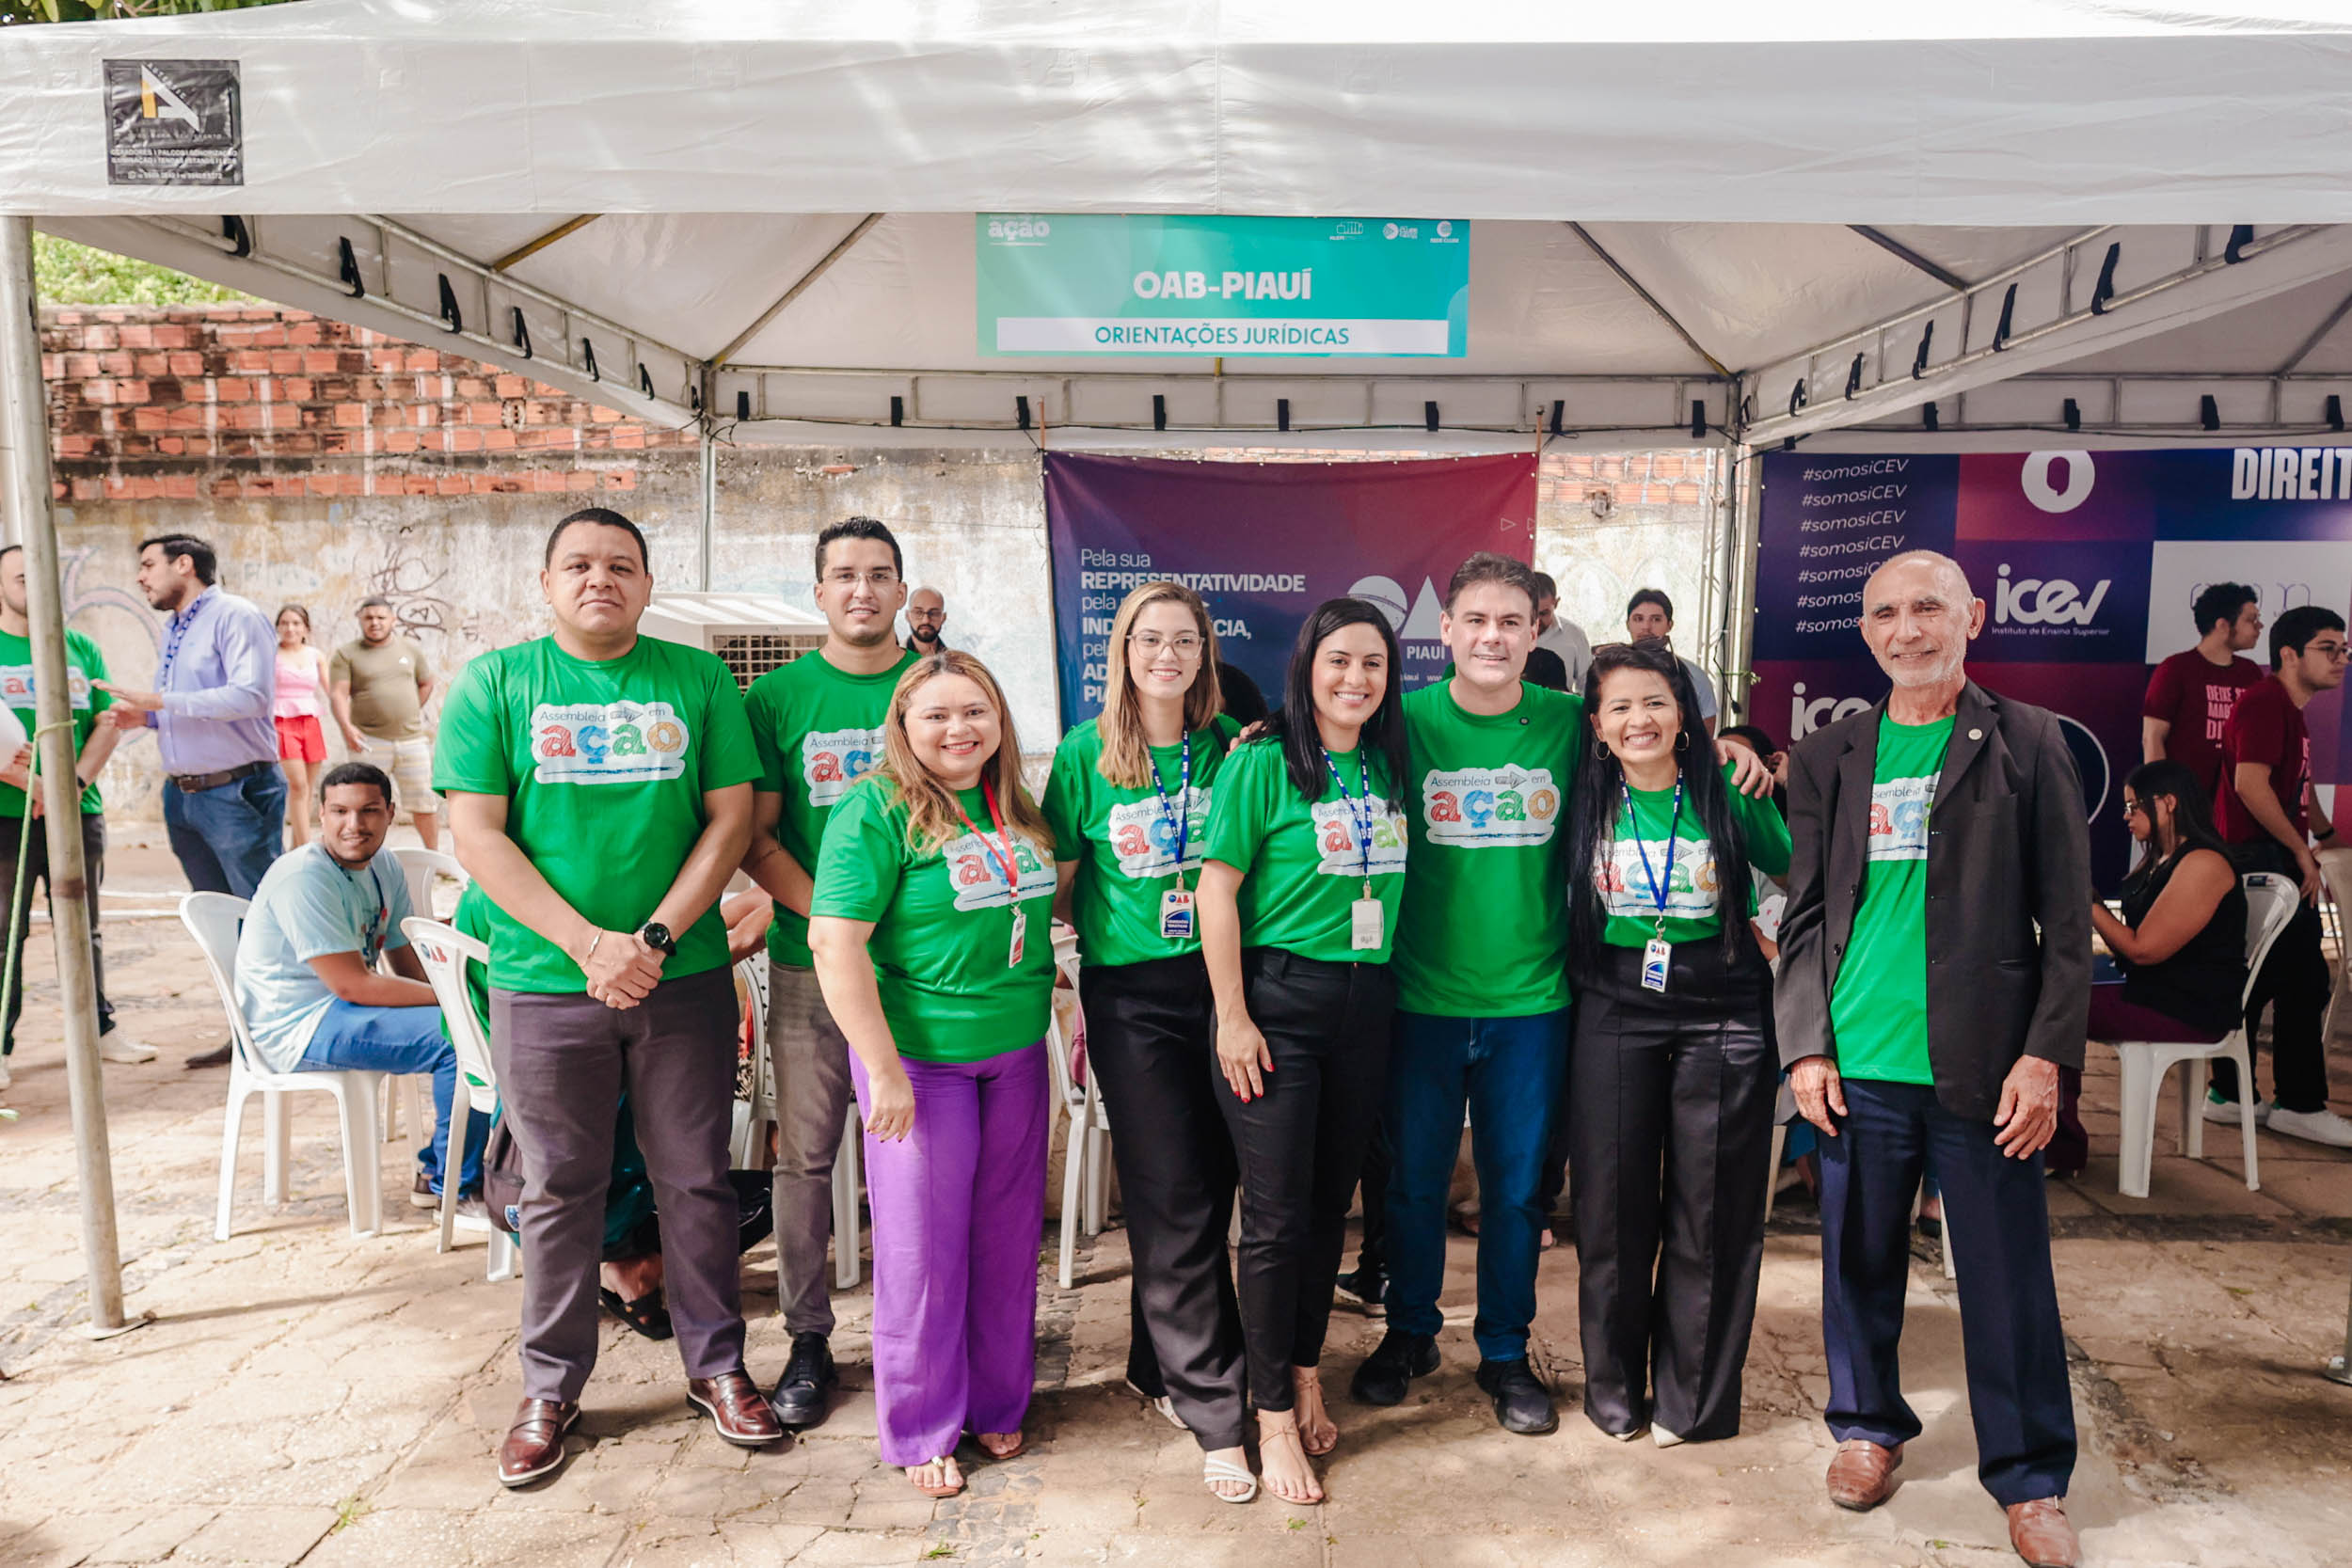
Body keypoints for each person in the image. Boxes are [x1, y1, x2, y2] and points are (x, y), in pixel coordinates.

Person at [437, 506, 781, 1487]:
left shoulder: (698, 677)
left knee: (696, 1180)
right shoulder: (497, 682)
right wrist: (589, 943)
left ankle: (717, 1365)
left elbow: (729, 821)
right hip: (546, 980)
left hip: (684, 975)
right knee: (557, 1189)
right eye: (579, 564)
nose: (601, 579)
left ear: (646, 582)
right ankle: (549, 1386)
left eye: (622, 565)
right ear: (547, 584)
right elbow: (479, 836)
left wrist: (657, 938)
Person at [1776, 549, 2090, 1568]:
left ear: (1972, 617)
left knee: (2005, 1281)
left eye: (1926, 609)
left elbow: (2066, 924)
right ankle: (1866, 1428)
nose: (1905, 629)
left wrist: (2043, 1059)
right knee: (1856, 1264)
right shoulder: (1831, 753)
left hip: (1983, 1068)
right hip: (1855, 1063)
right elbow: (1808, 915)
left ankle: (2031, 1476)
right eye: (1883, 613)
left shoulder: (2026, 741)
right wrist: (1804, 1047)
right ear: (1862, 630)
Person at [807, 649, 1057, 1499]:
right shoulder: (873, 809)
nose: (960, 729)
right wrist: (882, 1070)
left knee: (1006, 1236)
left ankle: (996, 1398)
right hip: (920, 1063)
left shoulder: (1009, 800)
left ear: (999, 719)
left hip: (1017, 1051)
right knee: (922, 1252)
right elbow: (834, 944)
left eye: (975, 711)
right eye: (938, 715)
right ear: (904, 727)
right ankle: (921, 1425)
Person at [1349, 552, 1581, 1438]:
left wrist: (1733, 751)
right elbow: (1318, 746)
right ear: (1443, 630)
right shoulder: (1398, 722)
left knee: (1518, 1191)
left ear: (1536, 632)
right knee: (1410, 1184)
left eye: (1511, 622)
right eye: (1475, 619)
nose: (1492, 636)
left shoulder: (1571, 719)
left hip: (1534, 1002)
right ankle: (1409, 1332)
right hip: (1419, 999)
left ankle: (1505, 1350)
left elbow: (1657, 735)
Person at [1042, 582, 1253, 1501]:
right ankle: (1214, 1404)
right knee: (1170, 1190)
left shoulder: (1232, 749)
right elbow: (1055, 881)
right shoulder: (1085, 755)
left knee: (1209, 1186)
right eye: (1148, 639)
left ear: (1205, 654)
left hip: (1227, 985)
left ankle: (1153, 1361)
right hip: (1132, 994)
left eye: (1184, 641)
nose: (1166, 655)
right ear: (1121, 651)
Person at [1199, 598, 1410, 1506]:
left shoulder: (1394, 764)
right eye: (1338, 662)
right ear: (1307, 668)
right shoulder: (1261, 763)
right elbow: (1216, 891)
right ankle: (1270, 1414)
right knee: (1278, 1219)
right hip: (1279, 1002)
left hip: (1369, 1003)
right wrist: (1232, 1014)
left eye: (1371, 663)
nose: (1354, 679)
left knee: (1332, 1208)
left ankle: (1304, 1364)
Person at [1565, 639, 1790, 1447]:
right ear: (1595, 725)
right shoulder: (1582, 792)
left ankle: (1692, 1400)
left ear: (1687, 714)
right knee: (1613, 1202)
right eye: (1620, 706)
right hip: (1613, 1000)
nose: (1639, 720)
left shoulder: (1728, 784)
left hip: (1725, 1001)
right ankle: (1615, 1389)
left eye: (1655, 702)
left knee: (1714, 1204)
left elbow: (1798, 867)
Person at [739, 515, 915, 1430]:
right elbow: (756, 839)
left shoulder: (932, 685)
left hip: (920, 968)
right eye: (843, 574)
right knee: (805, 1157)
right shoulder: (775, 700)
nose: (862, 589)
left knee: (919, 1152)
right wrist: (834, 925)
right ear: (817, 591)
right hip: (813, 964)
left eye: (879, 574)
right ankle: (808, 1336)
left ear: (899, 588)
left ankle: (916, 1331)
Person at [232, 762, 486, 1221]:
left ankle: (437, 1174)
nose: (355, 825)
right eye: (340, 812)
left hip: (342, 1007)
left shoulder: (384, 864)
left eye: (369, 811)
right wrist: (457, 1004)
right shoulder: (304, 878)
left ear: (391, 813)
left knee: (476, 1025)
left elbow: (407, 960)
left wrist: (464, 997)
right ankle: (458, 1187)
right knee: (458, 1037)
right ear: (321, 814)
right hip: (296, 1025)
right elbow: (353, 983)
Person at [97, 535, 284, 1069]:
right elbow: (191, 703)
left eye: (148, 565)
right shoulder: (175, 626)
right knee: (218, 921)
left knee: (258, 920)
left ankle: (277, 1034)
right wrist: (148, 718)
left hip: (235, 793)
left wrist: (159, 701)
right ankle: (244, 1036)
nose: (141, 577)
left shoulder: (235, 616)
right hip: (183, 798)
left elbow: (251, 696)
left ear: (186, 565)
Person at [0, 544, 151, 1082]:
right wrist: (30, 783)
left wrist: (71, 786)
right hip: (6, 817)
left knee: (84, 929)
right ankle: (0, 1042)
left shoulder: (80, 647)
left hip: (78, 813)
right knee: (4, 931)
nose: (33, 588)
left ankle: (98, 1030)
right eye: (21, 578)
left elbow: (108, 722)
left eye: (41, 578)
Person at [2208, 604, 2350, 1148]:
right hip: (2258, 862)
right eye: (2328, 648)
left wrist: (2327, 837)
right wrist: (2302, 853)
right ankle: (2297, 1103)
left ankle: (2232, 1096)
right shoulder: (2265, 701)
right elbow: (2251, 784)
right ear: (2289, 654)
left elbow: (2298, 787)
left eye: (2344, 650)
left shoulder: (2289, 710)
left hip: (2273, 859)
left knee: (2284, 980)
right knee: (2295, 980)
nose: (2341, 660)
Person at [2081, 760, 2249, 1177]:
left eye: (2133, 806)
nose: (2126, 816)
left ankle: (2054, 1145)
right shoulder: (2160, 858)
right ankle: (2047, 1135)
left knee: (2055, 1004)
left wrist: (2086, 904)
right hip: (2157, 990)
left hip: (2188, 1006)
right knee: (2044, 986)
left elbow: (2142, 950)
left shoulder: (2203, 863)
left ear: (2168, 803)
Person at [330, 595, 442, 852]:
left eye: (381, 617)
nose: (375, 623)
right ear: (360, 619)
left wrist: (410, 707)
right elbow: (338, 693)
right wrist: (347, 728)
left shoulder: (409, 649)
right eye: (369, 617)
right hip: (369, 741)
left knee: (423, 802)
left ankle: (434, 857)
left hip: (412, 740)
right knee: (365, 802)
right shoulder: (346, 654)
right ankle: (364, 855)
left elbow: (426, 682)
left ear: (392, 620)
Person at [2141, 581, 2264, 798]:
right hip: (2186, 803)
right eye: (2251, 619)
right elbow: (2152, 738)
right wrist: (2163, 798)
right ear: (2223, 625)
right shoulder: (2175, 669)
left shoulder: (2251, 673)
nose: (2259, 626)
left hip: (2236, 805)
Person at [273, 605, 331, 847]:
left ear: (306, 628)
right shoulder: (270, 655)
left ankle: (296, 849)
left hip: (310, 721)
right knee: (297, 785)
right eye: (285, 623)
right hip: (282, 722)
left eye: (296, 623)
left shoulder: (316, 655)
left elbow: (333, 691)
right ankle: (307, 850)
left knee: (307, 790)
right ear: (277, 627)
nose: (290, 628)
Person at [1625, 588, 1718, 735]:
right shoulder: (1609, 674)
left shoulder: (1694, 676)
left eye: (1656, 619)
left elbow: (1705, 737)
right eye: (1638, 619)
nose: (1646, 627)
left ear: (1670, 625)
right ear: (1627, 624)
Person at [1531, 570, 1593, 690]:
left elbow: (1587, 686)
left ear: (1556, 603)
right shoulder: (1509, 633)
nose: (1537, 621)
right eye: (1532, 614)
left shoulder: (1575, 635)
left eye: (1543, 613)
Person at [904, 585, 948, 654]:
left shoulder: (956, 662)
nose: (926, 620)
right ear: (907, 616)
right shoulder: (890, 659)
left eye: (934, 613)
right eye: (918, 612)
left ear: (944, 618)